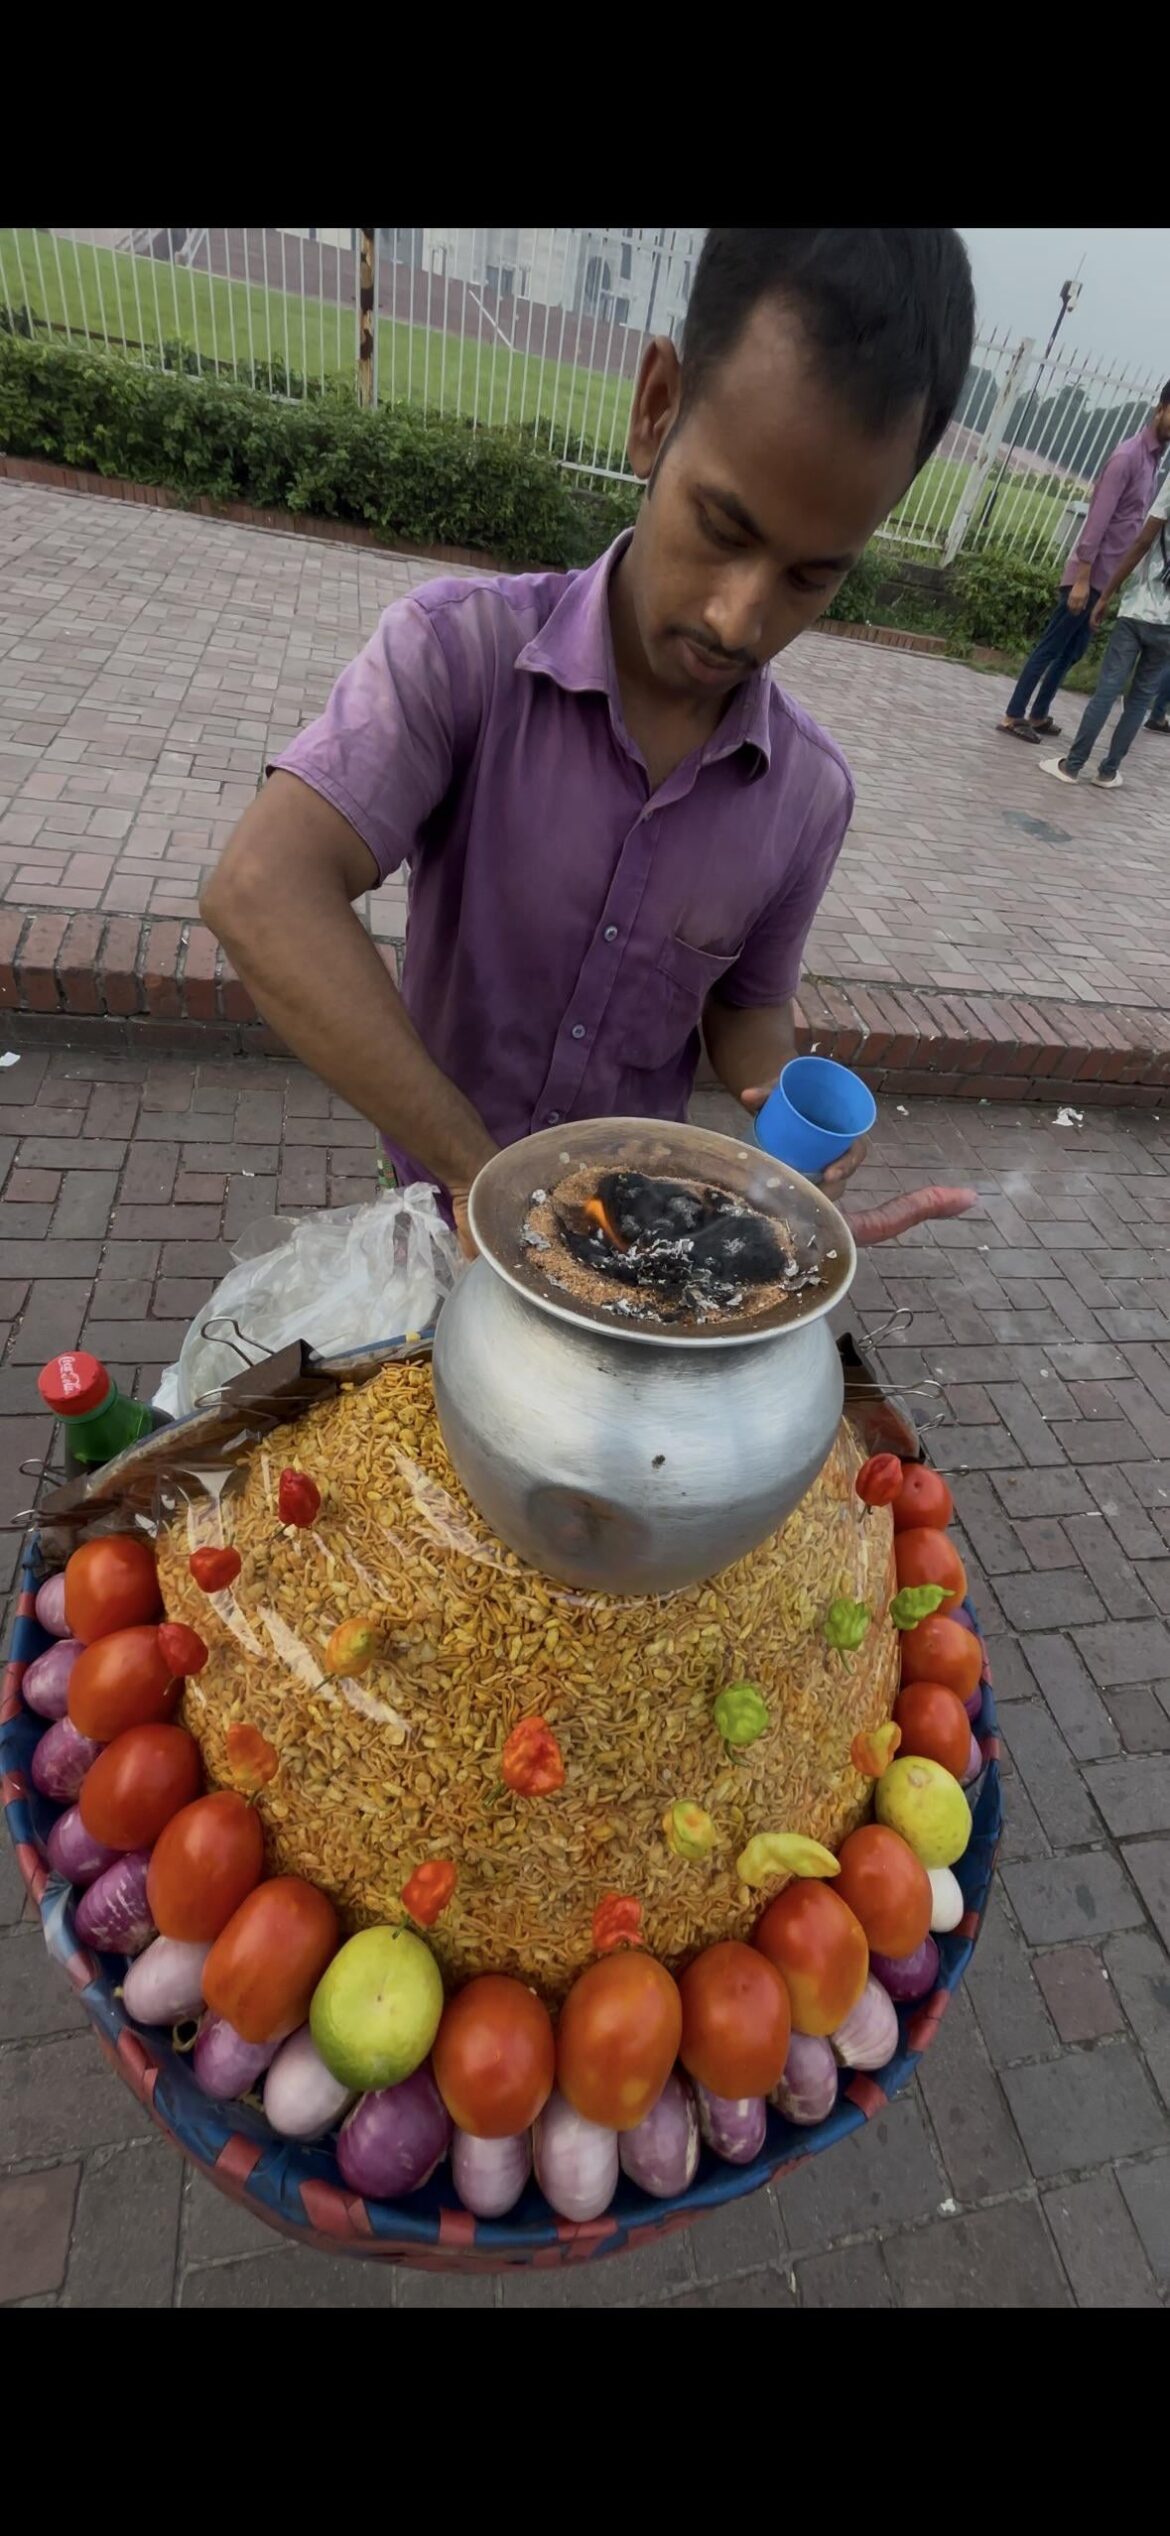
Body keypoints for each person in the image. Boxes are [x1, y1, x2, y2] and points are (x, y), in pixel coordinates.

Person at [203, 229, 975, 1255]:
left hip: (631, 1240)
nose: (741, 620)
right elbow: (260, 889)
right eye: (724, 528)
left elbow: (747, 1010)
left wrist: (785, 1152)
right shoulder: (462, 654)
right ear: (657, 407)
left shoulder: (807, 796)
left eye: (811, 576)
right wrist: (485, 1178)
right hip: (440, 1207)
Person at [997, 382, 1170, 744]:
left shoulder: (1153, 460)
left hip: (1106, 579)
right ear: (1161, 409)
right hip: (1088, 576)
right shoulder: (1128, 457)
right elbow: (1097, 522)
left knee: (1072, 652)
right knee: (1050, 647)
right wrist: (1081, 579)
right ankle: (1014, 715)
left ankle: (1039, 713)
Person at [1041, 478, 1170, 788]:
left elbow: (1141, 543)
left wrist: (1107, 593)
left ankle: (1072, 766)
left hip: (1138, 608)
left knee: (1108, 690)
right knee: (1140, 699)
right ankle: (1108, 771)